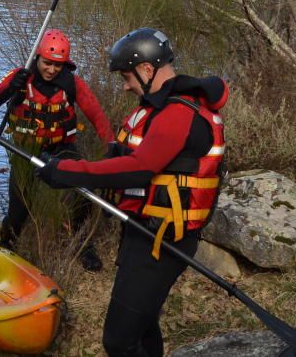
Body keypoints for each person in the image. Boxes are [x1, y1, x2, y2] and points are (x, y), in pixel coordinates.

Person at [34, 28, 228, 357]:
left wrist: (68, 173)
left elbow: (141, 168)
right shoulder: (156, 106)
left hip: (161, 243)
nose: (125, 85)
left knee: (119, 340)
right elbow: (133, 157)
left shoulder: (178, 113)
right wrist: (78, 159)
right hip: (145, 230)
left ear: (148, 69)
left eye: (127, 76)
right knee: (144, 323)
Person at [0, 28, 114, 271]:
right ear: (38, 58)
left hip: (62, 148)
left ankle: (83, 244)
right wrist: (10, 87)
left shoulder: (73, 84)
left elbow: (97, 115)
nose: (52, 70)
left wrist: (111, 146)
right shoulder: (20, 78)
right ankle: (8, 241)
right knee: (20, 206)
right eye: (47, 63)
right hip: (27, 151)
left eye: (58, 65)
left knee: (83, 191)